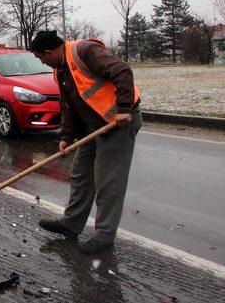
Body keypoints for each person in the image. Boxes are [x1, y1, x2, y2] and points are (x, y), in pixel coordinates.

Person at [29, 30, 142, 254]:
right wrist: (66, 137)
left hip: (117, 123)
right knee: (80, 174)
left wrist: (124, 108)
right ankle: (71, 224)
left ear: (49, 52)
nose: (41, 61)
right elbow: (68, 105)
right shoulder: (59, 69)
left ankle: (104, 236)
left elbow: (122, 71)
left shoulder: (85, 52)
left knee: (108, 182)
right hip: (95, 126)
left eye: (41, 57)